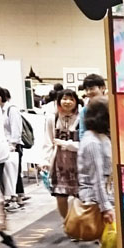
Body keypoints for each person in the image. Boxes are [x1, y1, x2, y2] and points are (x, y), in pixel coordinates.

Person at [77, 97, 114, 248]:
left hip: (103, 194)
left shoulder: (98, 137)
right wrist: (105, 207)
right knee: (109, 238)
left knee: (109, 239)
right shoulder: (92, 141)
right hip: (98, 197)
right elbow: (97, 178)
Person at [42, 89, 80, 221]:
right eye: (64, 99)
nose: (67, 102)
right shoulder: (52, 118)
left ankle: (79, 223)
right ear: (58, 101)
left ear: (76, 102)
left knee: (80, 196)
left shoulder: (81, 118)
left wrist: (66, 144)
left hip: (78, 163)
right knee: (60, 196)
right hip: (59, 163)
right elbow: (48, 140)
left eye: (71, 99)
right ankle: (67, 222)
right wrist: (45, 160)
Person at [0, 87, 24, 212]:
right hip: (4, 147)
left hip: (13, 146)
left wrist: (13, 145)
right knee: (9, 174)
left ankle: (16, 198)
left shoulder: (11, 109)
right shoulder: (1, 110)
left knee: (14, 173)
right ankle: (15, 197)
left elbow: (16, 129)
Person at [79, 74, 106, 140]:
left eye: (91, 89)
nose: (89, 92)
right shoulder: (84, 110)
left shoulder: (111, 107)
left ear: (102, 88)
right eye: (86, 90)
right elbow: (82, 134)